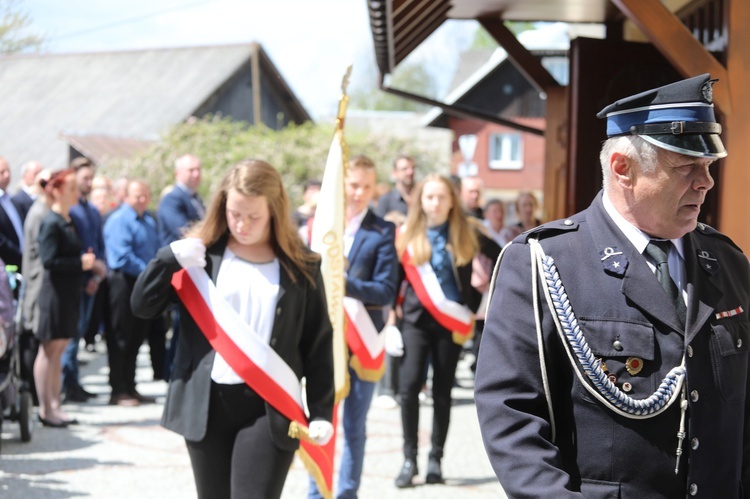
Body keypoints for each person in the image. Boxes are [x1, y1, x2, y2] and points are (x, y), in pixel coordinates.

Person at [475, 74, 750, 497]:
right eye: (685, 166)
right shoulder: (545, 261)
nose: (706, 182)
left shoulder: (727, 262)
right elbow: (510, 413)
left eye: (708, 166)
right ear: (623, 168)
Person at [131, 159, 334, 499]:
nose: (242, 224)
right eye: (234, 213)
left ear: (274, 210)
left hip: (268, 406)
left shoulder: (303, 264)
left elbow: (318, 341)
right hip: (206, 405)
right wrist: (166, 260)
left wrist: (323, 409)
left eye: (254, 216)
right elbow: (142, 306)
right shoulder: (201, 257)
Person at [392, 173, 500, 488]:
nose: (435, 203)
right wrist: (389, 321)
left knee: (442, 392)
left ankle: (435, 458)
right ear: (420, 201)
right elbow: (394, 281)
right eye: (429, 197)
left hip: (451, 322)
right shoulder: (406, 235)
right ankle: (409, 458)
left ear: (452, 201)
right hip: (415, 321)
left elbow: (502, 256)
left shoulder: (466, 231)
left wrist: (481, 300)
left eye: (442, 197)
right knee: (409, 387)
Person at [307, 155, 398, 499]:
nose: (359, 193)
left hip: (363, 341)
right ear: (341, 185)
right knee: (320, 422)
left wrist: (341, 282)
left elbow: (386, 289)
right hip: (324, 341)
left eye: (366, 186)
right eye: (353, 185)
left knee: (354, 426)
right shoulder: (320, 226)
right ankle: (316, 491)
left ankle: (347, 493)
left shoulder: (382, 230)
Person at [33, 168, 96, 427]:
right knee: (49, 350)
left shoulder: (67, 219)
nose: (74, 193)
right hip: (54, 294)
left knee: (59, 351)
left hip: (69, 293)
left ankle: (55, 404)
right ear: (57, 191)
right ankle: (45, 408)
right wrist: (79, 263)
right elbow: (48, 260)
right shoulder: (51, 221)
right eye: (70, 188)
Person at [103, 179, 160, 406]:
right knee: (121, 338)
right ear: (126, 196)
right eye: (138, 195)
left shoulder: (148, 220)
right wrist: (150, 271)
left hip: (142, 284)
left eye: (146, 195)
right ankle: (118, 389)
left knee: (137, 337)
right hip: (123, 284)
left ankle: (130, 385)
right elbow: (121, 257)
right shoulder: (120, 220)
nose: (142, 200)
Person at [157, 154, 206, 381]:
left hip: (194, 272)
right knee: (181, 326)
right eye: (191, 170)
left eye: (198, 169)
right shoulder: (172, 199)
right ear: (178, 173)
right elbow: (185, 231)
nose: (196, 174)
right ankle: (173, 375)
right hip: (179, 272)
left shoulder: (197, 199)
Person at [63, 157, 107, 403]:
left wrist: (98, 276)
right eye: (84, 179)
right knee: (70, 336)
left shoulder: (91, 210)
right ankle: (67, 384)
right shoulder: (71, 210)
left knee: (78, 334)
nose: (89, 183)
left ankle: (74, 382)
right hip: (75, 280)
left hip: (92, 279)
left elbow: (98, 245)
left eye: (91, 178)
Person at [0, 156, 25, 268]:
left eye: (8, 171)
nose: (7, 175)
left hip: (22, 264)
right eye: (2, 172)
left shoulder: (13, 200)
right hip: (6, 266)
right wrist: (19, 256)